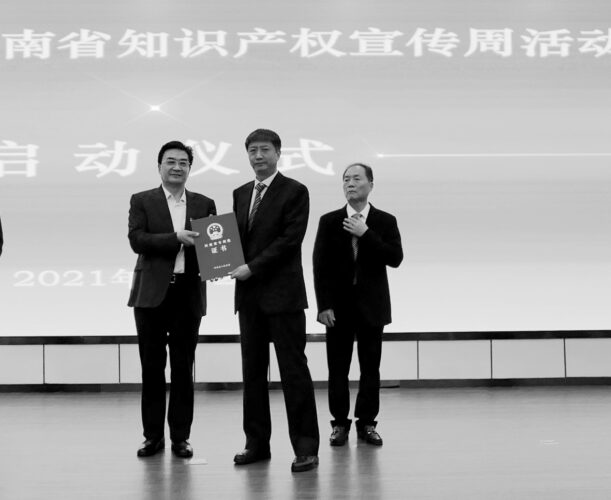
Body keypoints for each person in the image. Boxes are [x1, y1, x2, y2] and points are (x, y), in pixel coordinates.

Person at [230, 129, 319, 473]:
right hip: (249, 298)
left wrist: (251, 267)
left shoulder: (295, 191)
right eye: (252, 150)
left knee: (294, 373)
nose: (257, 156)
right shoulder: (240, 193)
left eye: (264, 149)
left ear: (278, 153)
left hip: (284, 297)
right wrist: (220, 261)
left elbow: (289, 240)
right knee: (252, 373)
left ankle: (306, 448)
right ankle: (256, 444)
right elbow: (236, 241)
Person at [128, 140, 216, 458]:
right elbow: (137, 240)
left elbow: (213, 246)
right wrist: (175, 238)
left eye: (183, 162)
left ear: (190, 168)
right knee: (152, 368)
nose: (177, 167)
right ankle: (152, 437)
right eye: (171, 161)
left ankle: (180, 437)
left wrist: (219, 264)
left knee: (182, 368)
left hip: (187, 295)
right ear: (159, 166)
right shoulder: (142, 200)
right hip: (151, 295)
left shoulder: (204, 203)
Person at [313, 162, 403, 447]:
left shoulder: (385, 220)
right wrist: (324, 305)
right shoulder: (329, 221)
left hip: (372, 306)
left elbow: (395, 258)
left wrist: (366, 233)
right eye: (346, 180)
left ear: (370, 184)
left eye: (356, 178)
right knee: (337, 369)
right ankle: (339, 423)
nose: (350, 184)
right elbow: (320, 266)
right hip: (337, 308)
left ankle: (367, 423)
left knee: (370, 368)